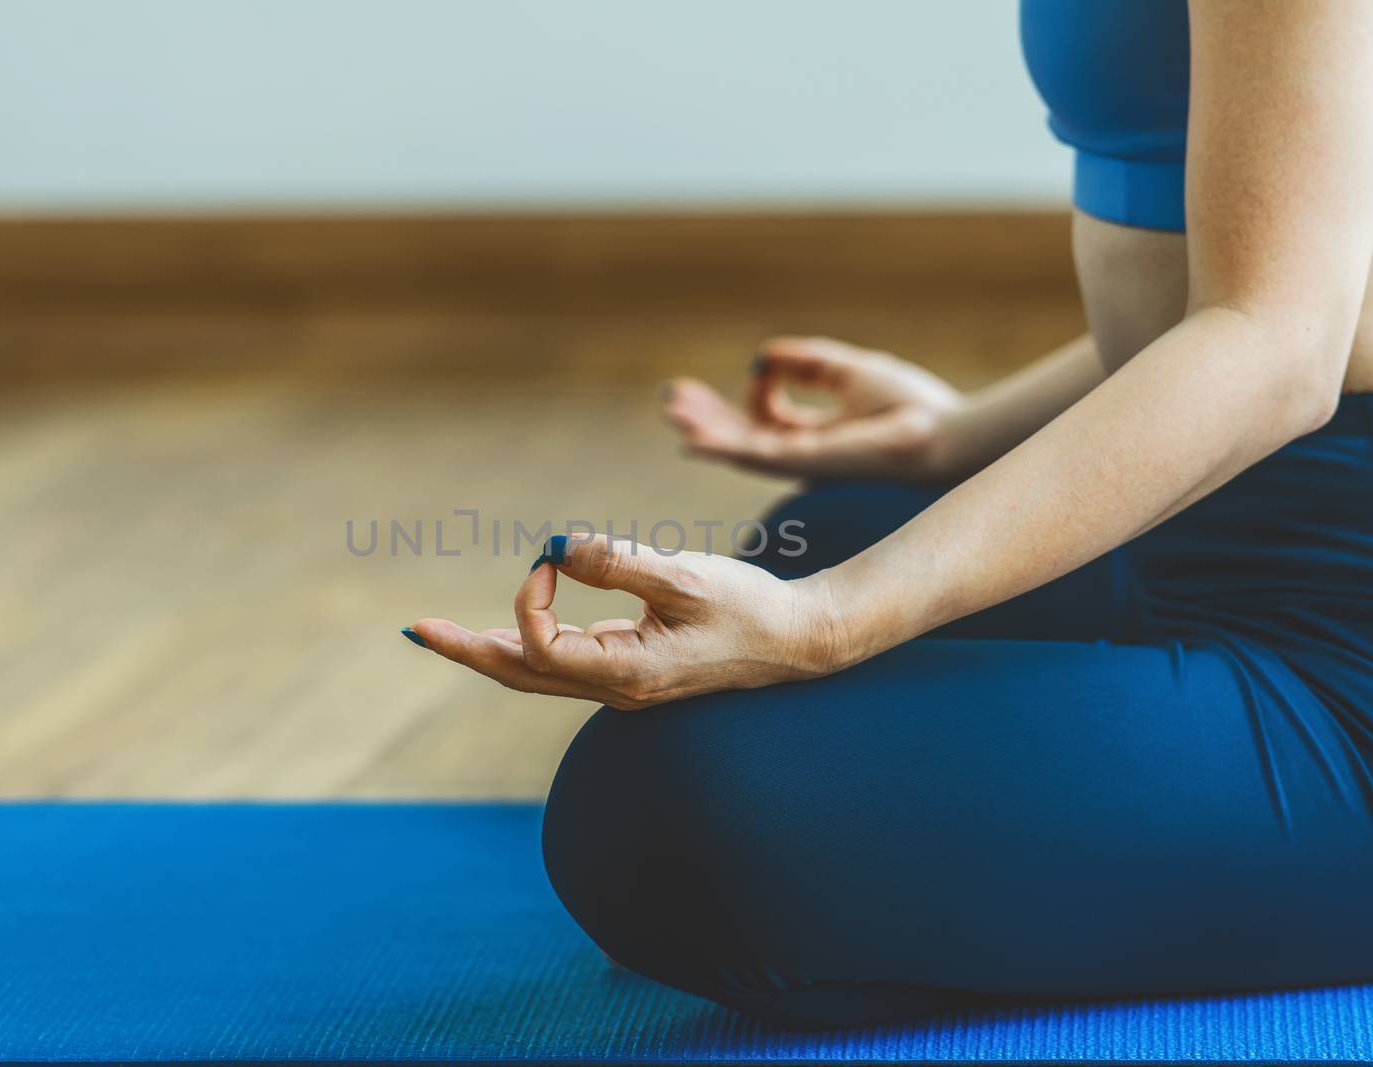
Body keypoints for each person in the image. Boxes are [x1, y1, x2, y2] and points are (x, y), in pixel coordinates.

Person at [402, 0, 1373, 1028]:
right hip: (1225, 516)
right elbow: (1283, 260)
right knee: (832, 531)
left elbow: (1276, 345)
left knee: (665, 808)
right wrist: (956, 435)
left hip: (1342, 611)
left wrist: (833, 618)